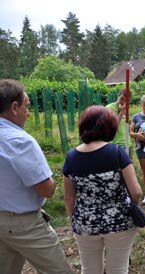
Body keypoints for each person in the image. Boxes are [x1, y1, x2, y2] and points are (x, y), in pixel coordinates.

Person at [0, 79, 72, 274]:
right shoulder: (20, 141)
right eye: (27, 106)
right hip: (24, 224)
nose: (29, 112)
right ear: (14, 107)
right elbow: (46, 189)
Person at [63, 105, 142, 274]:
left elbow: (69, 198)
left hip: (85, 223)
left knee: (89, 270)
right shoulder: (117, 152)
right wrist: (130, 207)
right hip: (119, 222)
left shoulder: (71, 157)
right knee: (118, 269)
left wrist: (75, 219)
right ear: (109, 127)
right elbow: (136, 192)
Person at [106, 88, 130, 154]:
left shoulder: (126, 109)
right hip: (115, 143)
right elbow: (113, 126)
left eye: (125, 100)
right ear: (118, 96)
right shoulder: (109, 108)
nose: (122, 102)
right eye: (121, 99)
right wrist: (121, 112)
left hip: (127, 143)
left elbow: (129, 124)